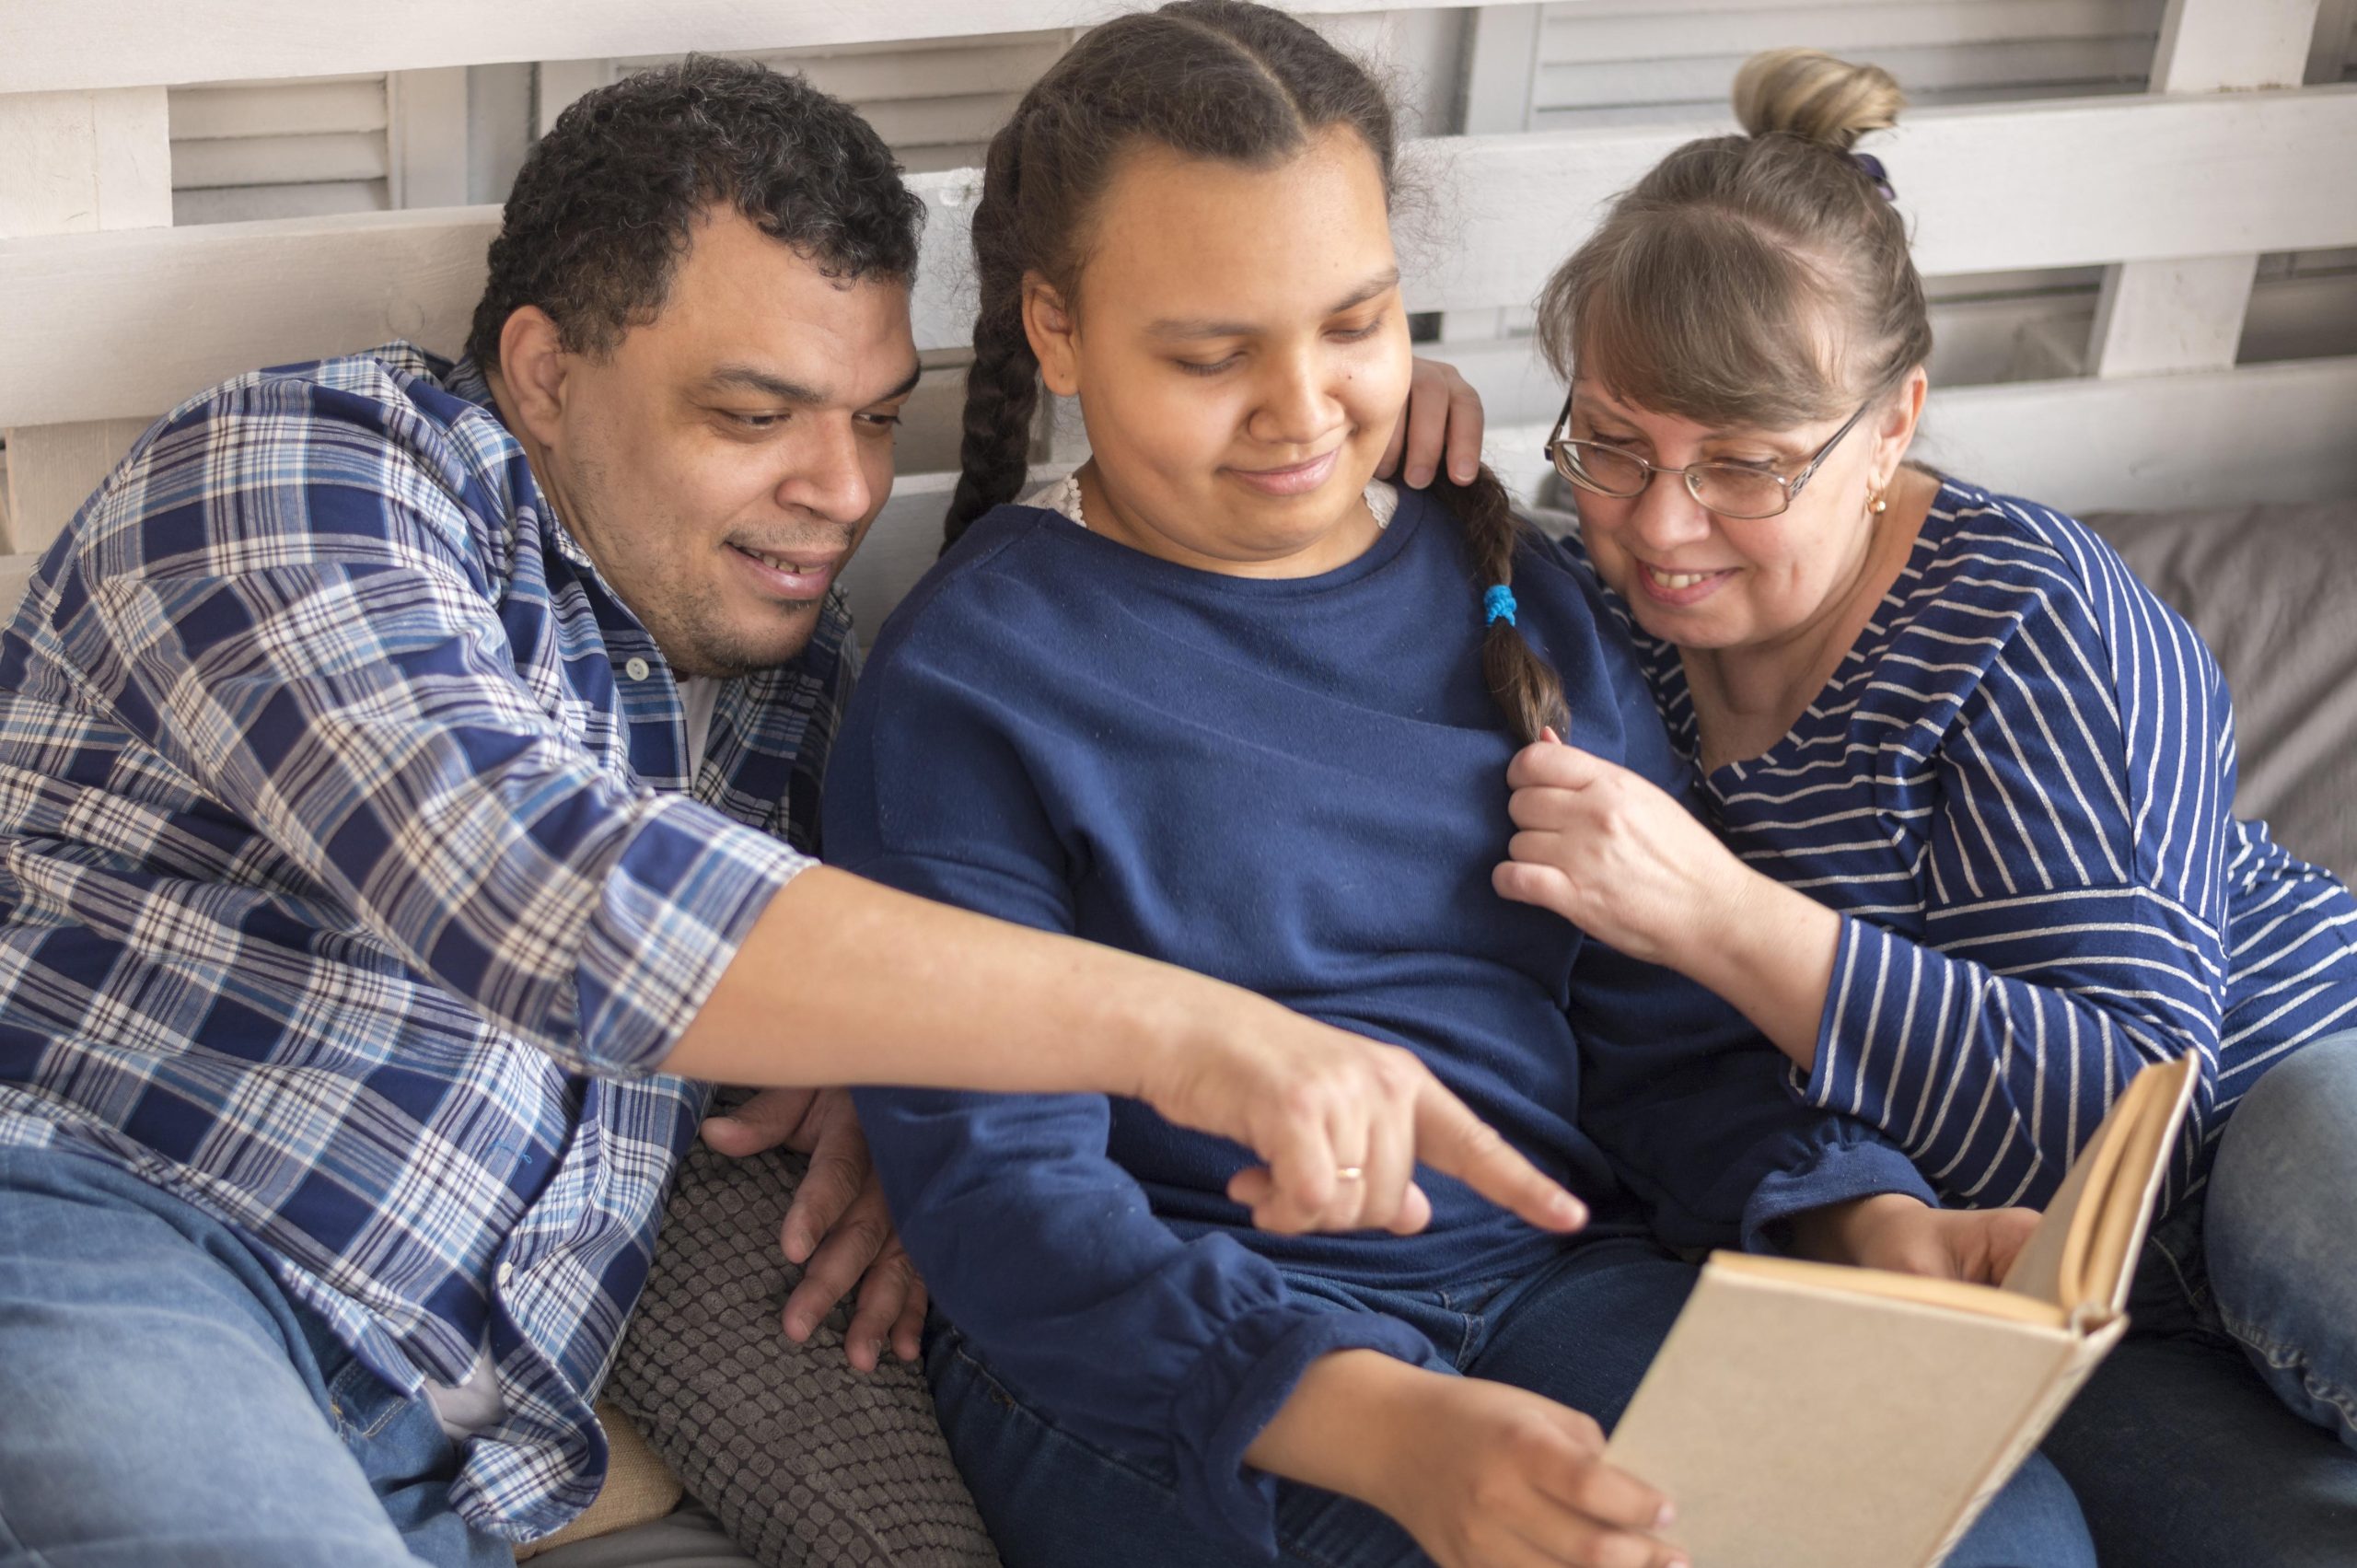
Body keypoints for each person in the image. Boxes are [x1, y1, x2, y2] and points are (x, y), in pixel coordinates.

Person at [0, 57, 1579, 1568]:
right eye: (755, 415)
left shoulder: (775, 672)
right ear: (548, 374)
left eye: (877, 417)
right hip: (106, 1240)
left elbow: (868, 1013)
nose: (837, 488)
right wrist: (1176, 1031)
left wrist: (893, 1071)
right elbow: (540, 885)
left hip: (434, 1458)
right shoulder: (304, 474)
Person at [830, 8, 2096, 1566]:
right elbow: (1006, 1202)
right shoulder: (967, 682)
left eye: (1355, 324)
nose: (1303, 408)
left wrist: (1859, 1222)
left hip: (1558, 1283)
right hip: (1182, 1357)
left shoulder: (1510, 593)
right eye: (1212, 354)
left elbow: (1668, 1047)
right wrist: (1388, 1430)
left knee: (1998, 1533)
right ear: (1059, 329)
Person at [1497, 46, 2357, 1567]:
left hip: (2293, 1086)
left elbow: (2123, 1120)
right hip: (2066, 1316)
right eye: (1611, 443)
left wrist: (1721, 915)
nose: (1658, 524)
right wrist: (1396, 413)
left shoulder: (2037, 618)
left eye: (1745, 468)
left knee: (2307, 1181)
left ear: (1894, 422)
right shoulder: (1594, 629)